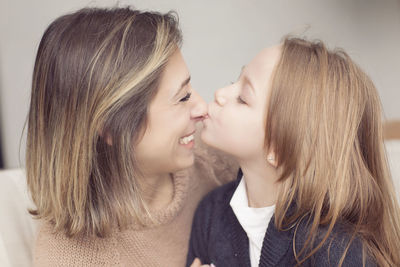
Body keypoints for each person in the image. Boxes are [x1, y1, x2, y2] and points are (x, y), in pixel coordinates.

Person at [26, 7, 236, 266]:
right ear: (112, 128)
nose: (203, 108)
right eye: (182, 98)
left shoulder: (217, 149)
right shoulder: (67, 257)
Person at [187, 37, 400, 267]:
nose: (220, 93)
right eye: (234, 80)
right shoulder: (211, 214)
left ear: (279, 149)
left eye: (243, 99)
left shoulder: (337, 253)